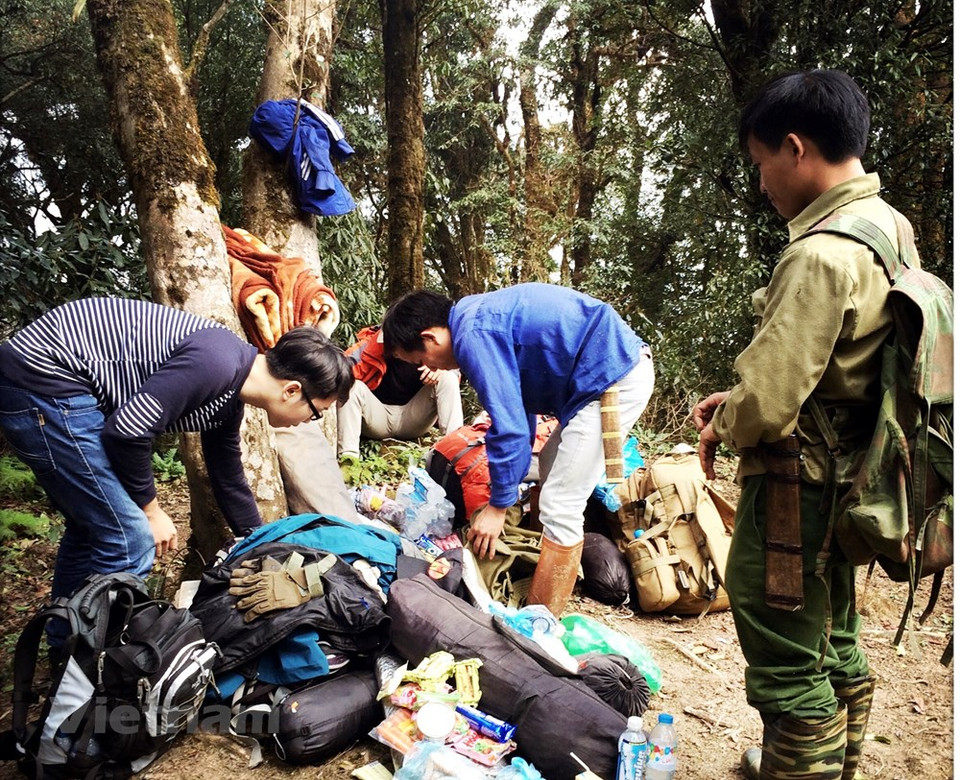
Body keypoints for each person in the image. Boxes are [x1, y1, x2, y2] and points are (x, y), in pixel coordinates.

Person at [694, 70, 897, 780]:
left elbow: (773, 406)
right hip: (857, 476)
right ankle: (833, 766)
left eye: (761, 165)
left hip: (797, 490)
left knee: (781, 644)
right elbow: (840, 365)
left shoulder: (818, 254)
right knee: (832, 631)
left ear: (794, 147)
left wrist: (731, 421)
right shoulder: (886, 229)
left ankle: (798, 762)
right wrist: (741, 395)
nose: (762, 184)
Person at [0, 297, 355, 606]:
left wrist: (263, 543)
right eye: (316, 411)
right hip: (43, 381)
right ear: (292, 391)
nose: (310, 420)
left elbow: (228, 477)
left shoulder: (231, 393)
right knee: (131, 537)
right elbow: (126, 431)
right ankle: (92, 669)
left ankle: (66, 641)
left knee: (93, 527)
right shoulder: (217, 362)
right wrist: (152, 510)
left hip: (51, 388)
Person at [381, 283, 654, 616]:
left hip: (612, 376)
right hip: (599, 376)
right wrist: (503, 493)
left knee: (561, 504)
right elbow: (517, 417)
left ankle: (541, 623)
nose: (433, 368)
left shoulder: (473, 334)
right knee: (551, 463)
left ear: (430, 337)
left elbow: (509, 429)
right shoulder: (475, 318)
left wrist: (498, 507)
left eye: (423, 359)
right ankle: (537, 560)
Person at [337, 324, 463, 467]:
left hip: (415, 417)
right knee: (351, 385)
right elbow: (341, 368)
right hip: (377, 416)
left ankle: (454, 454)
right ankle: (348, 460)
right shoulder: (373, 344)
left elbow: (455, 367)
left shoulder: (430, 347)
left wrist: (441, 369)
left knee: (448, 377)